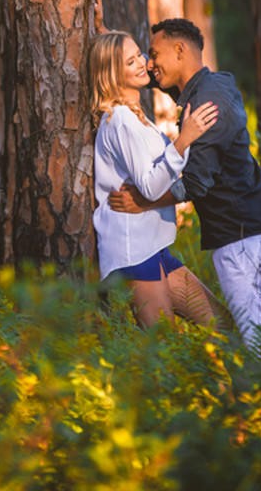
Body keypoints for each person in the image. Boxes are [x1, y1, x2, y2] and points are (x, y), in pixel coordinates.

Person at [108, 18, 261, 353]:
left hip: (246, 242)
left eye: (154, 54)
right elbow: (140, 75)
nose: (149, 64)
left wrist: (143, 202)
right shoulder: (209, 87)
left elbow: (194, 184)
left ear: (180, 50)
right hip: (253, 235)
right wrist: (105, 35)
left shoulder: (208, 106)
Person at [88, 30, 227, 330]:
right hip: (134, 251)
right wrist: (184, 139)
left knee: (220, 323)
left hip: (154, 246)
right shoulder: (120, 120)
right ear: (112, 74)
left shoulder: (135, 116)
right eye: (130, 62)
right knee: (163, 345)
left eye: (139, 54)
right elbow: (150, 186)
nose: (142, 63)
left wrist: (102, 27)